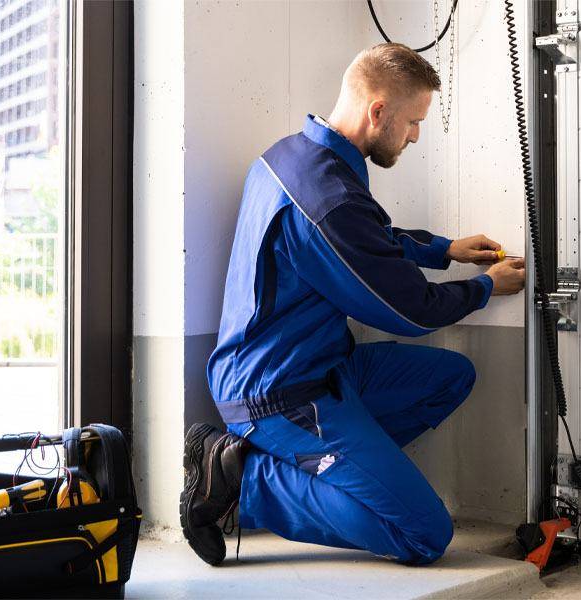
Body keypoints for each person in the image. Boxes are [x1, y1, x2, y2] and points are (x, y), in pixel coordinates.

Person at [180, 43, 526, 567]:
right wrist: (483, 288)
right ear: (378, 111)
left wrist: (444, 250)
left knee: (451, 377)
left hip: (322, 368)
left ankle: (334, 474)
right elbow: (412, 311)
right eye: (413, 121)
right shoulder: (326, 199)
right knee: (424, 534)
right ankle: (244, 481)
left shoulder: (293, 156)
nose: (414, 135)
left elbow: (368, 239)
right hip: (278, 394)